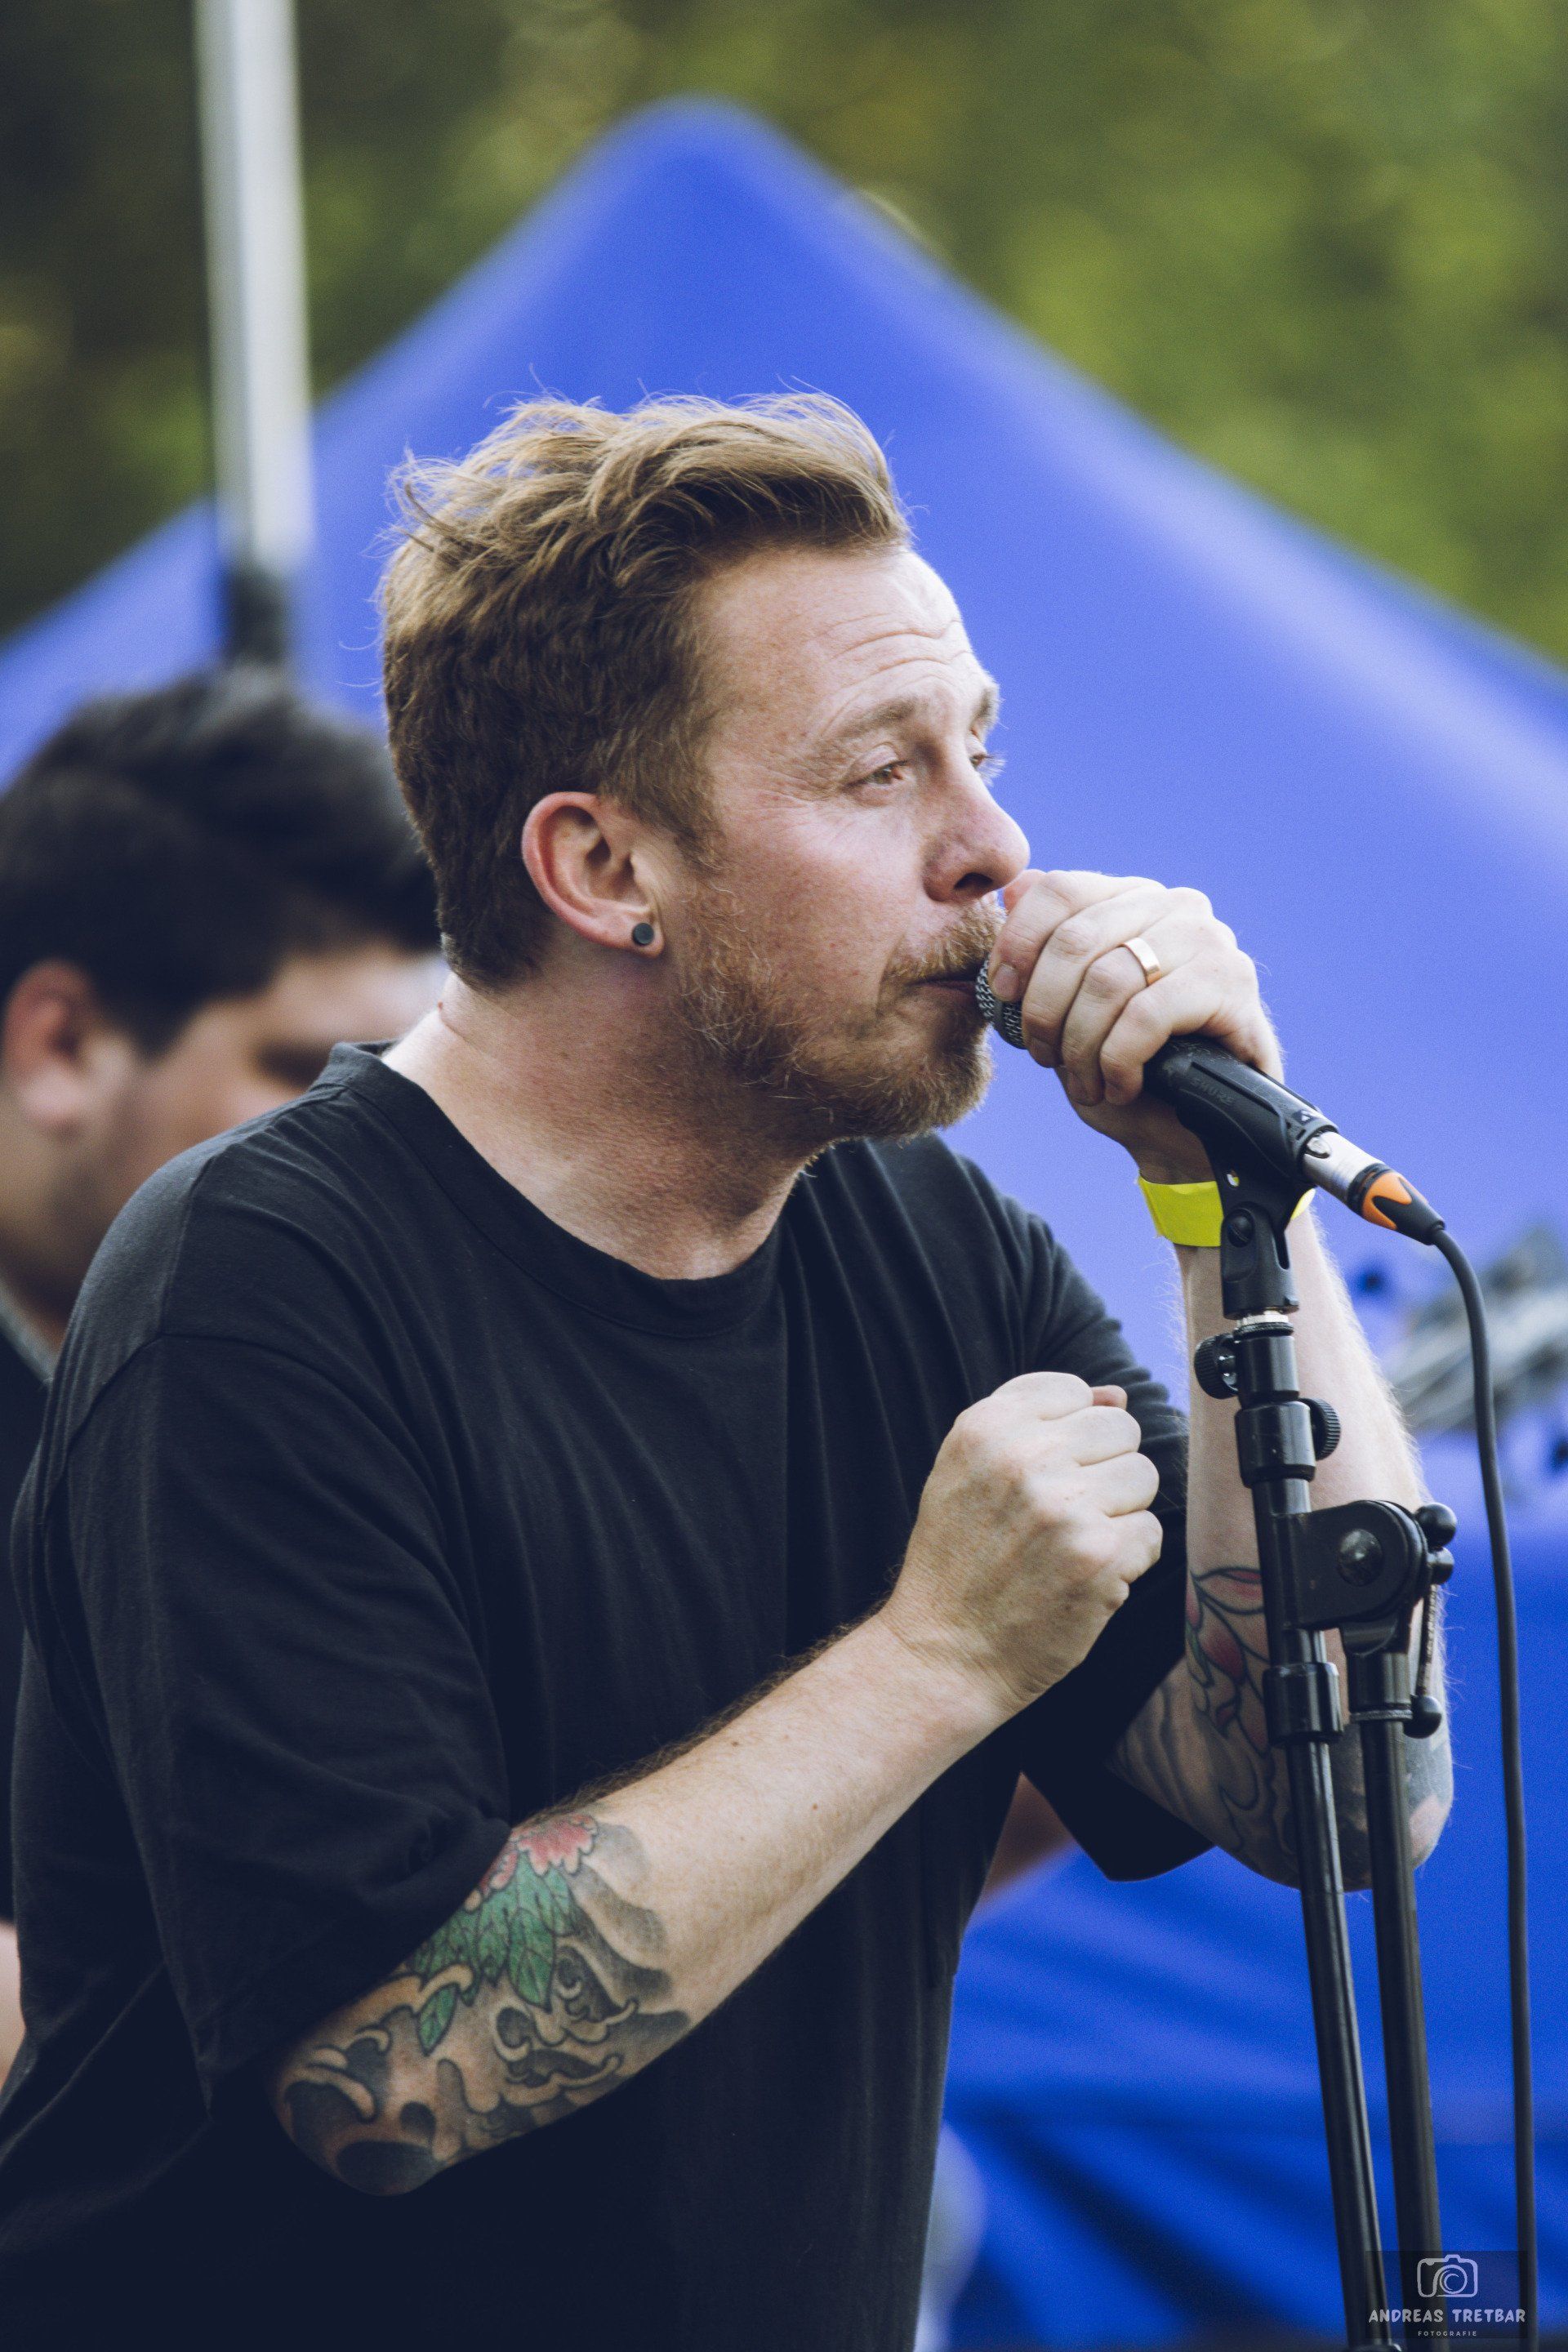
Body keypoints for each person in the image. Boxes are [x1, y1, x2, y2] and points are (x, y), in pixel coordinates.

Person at [0, 399, 1452, 2349]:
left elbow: (1341, 1799)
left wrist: (1223, 1206)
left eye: (982, 752)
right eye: (881, 773)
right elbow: (385, 2081)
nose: (992, 849)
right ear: (605, 863)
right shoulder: (258, 1286)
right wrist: (934, 1660)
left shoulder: (932, 1245)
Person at [0, 666, 443, 2076]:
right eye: (313, 1072)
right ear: (62, 1045)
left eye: (418, 1085)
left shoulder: (390, 1374)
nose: (389, 1152)